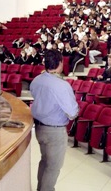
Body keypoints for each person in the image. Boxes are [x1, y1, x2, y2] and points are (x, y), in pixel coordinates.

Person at [30, 50, 78, 191]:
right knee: (53, 167)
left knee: (44, 161)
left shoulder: (37, 80)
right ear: (59, 63)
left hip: (39, 128)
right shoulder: (62, 85)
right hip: (54, 131)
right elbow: (72, 112)